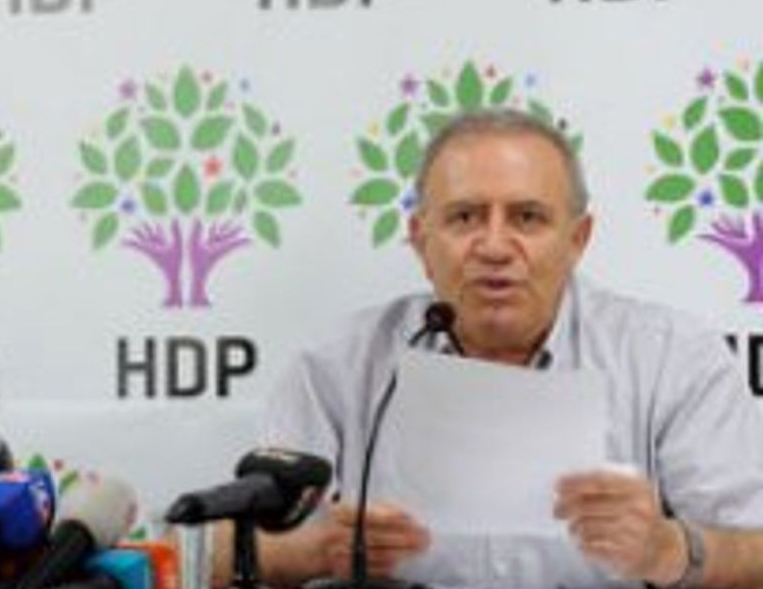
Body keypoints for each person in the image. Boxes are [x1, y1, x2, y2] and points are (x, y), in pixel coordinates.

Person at [243, 108, 763, 588]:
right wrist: (316, 550)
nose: (494, 247)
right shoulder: (336, 366)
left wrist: (670, 550)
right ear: (421, 240)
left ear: (577, 239)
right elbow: (226, 550)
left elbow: (755, 551)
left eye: (527, 217)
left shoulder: (672, 358)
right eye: (465, 217)